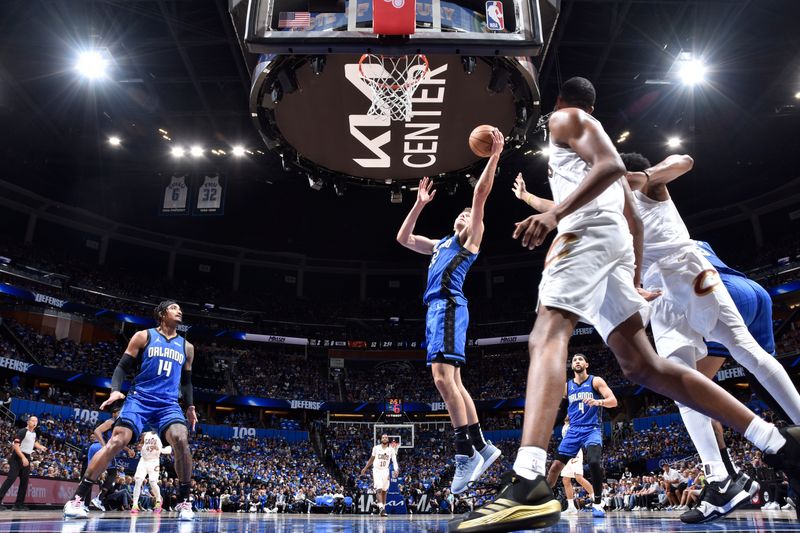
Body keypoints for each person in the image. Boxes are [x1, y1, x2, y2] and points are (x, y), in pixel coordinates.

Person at [449, 77, 800, 533]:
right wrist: (630, 278)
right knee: (644, 368)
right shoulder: (580, 164)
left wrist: (555, 214)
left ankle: (529, 480)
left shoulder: (565, 118)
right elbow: (632, 220)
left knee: (547, 334)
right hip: (615, 250)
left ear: (563, 102)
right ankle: (779, 445)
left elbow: (611, 164)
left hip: (590, 239)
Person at [620, 151, 800, 523]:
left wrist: (643, 176)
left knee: (743, 352)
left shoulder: (648, 185)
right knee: (681, 387)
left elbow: (684, 160)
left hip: (691, 273)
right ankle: (720, 478)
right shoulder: (610, 208)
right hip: (661, 297)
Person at [396, 129, 504, 494]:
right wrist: (420, 204)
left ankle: (464, 455)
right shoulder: (440, 244)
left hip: (448, 306)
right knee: (453, 382)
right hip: (436, 311)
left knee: (442, 379)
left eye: (467, 214)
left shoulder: (470, 240)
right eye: (459, 213)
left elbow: (480, 195)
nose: (463, 215)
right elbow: (403, 240)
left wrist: (494, 156)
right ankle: (481, 446)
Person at [63, 300, 197, 520]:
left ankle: (184, 502)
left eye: (180, 308)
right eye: (174, 308)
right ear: (162, 314)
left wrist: (190, 406)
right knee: (117, 441)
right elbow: (122, 367)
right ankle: (77, 499)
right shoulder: (143, 336)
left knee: (181, 439)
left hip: (168, 404)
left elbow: (187, 383)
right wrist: (115, 390)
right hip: (140, 399)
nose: (180, 310)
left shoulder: (187, 347)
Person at [547, 354, 617, 516]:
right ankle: (540, 502)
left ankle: (598, 503)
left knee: (593, 462)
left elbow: (613, 401)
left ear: (586, 364)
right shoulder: (567, 386)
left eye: (580, 360)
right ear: (571, 366)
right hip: (573, 430)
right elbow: (562, 410)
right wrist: (551, 426)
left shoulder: (595, 381)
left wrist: (598, 402)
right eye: (574, 360)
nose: (577, 361)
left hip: (591, 429)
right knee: (554, 468)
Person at [86, 407, 135, 511]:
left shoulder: (117, 425)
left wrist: (128, 450)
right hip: (100, 447)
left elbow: (116, 441)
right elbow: (97, 431)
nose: (121, 414)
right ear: (113, 414)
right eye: (118, 412)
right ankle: (99, 498)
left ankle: (81, 502)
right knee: (112, 473)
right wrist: (104, 446)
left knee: (90, 475)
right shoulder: (111, 422)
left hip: (94, 447)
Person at [0, 416, 47, 510]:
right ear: (28, 422)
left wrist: (40, 447)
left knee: (24, 482)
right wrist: (23, 458)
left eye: (36, 421)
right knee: (11, 479)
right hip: (17, 457)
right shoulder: (22, 431)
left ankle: (18, 505)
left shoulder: (33, 433)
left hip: (27, 457)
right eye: (33, 421)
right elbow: (16, 446)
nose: (35, 422)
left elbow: (34, 442)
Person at [131, 431, 172, 514]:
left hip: (154, 461)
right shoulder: (146, 434)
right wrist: (140, 446)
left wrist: (160, 449)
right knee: (138, 480)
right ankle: (135, 505)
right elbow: (140, 445)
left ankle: (158, 502)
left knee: (153, 482)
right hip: (143, 460)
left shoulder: (163, 434)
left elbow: (169, 450)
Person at [360, 434, 399, 517]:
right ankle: (381, 508)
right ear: (381, 439)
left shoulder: (391, 450)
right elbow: (371, 458)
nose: (384, 439)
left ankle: (382, 508)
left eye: (386, 437)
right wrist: (365, 468)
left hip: (386, 471)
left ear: (388, 440)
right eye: (383, 437)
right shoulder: (376, 448)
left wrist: (396, 469)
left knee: (384, 491)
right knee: (379, 489)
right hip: (377, 470)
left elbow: (394, 461)